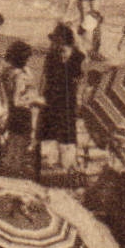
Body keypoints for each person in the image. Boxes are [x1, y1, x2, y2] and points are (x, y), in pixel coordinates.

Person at [38, 23, 85, 173]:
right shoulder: (52, 56)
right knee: (50, 128)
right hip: (52, 96)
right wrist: (41, 95)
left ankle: (66, 162)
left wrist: (78, 99)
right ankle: (52, 161)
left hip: (68, 98)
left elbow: (81, 81)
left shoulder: (78, 57)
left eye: (58, 41)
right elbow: (44, 77)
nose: (55, 44)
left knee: (67, 129)